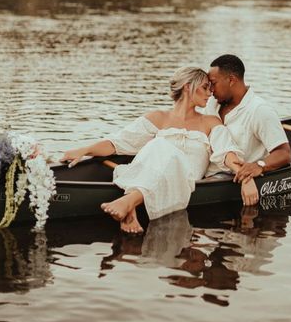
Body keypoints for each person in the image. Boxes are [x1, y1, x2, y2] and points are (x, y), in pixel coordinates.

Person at [61, 66, 257, 234]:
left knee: (162, 147)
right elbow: (117, 143)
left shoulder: (209, 121)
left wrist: (244, 176)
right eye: (205, 88)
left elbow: (227, 152)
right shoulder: (158, 117)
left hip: (184, 178)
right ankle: (130, 204)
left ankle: (128, 202)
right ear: (188, 88)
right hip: (153, 173)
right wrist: (84, 149)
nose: (210, 93)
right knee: (158, 145)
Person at [206, 54, 291, 201]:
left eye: (213, 83)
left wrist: (259, 165)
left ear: (231, 80)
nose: (210, 90)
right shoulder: (211, 104)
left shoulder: (260, 111)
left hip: (229, 177)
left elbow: (284, 153)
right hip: (205, 171)